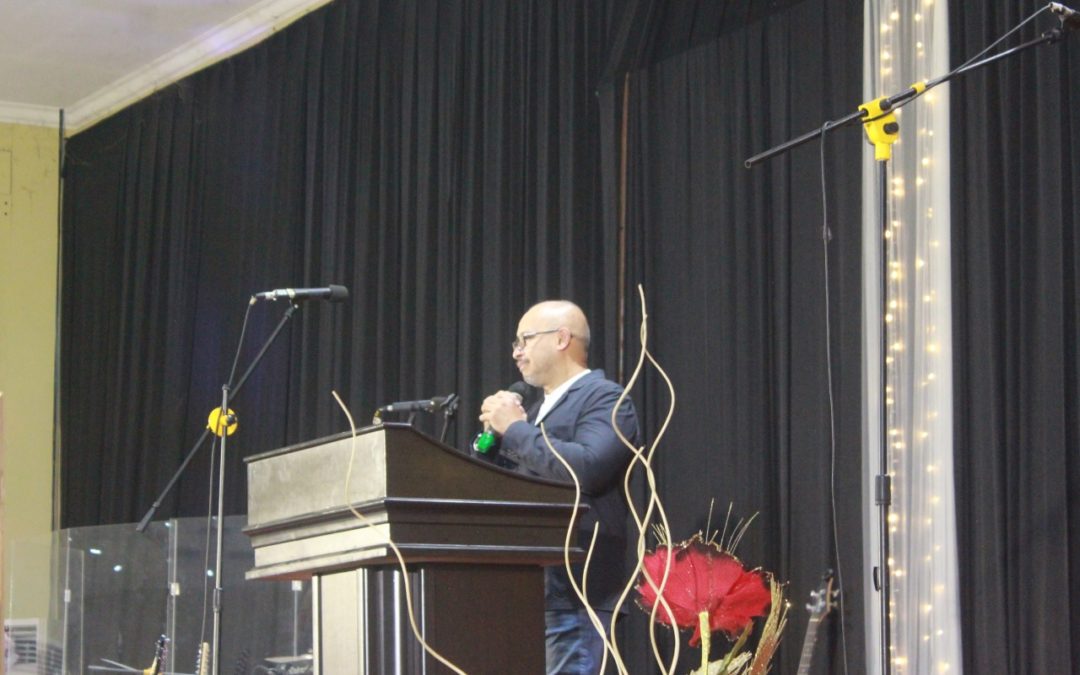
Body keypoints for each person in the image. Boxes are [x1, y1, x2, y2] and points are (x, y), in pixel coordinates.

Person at [479, 300, 639, 675]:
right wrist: (490, 441)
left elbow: (587, 468)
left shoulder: (605, 397)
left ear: (562, 338)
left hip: (575, 589)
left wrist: (515, 430)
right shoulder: (534, 412)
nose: (516, 352)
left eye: (525, 339)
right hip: (526, 587)